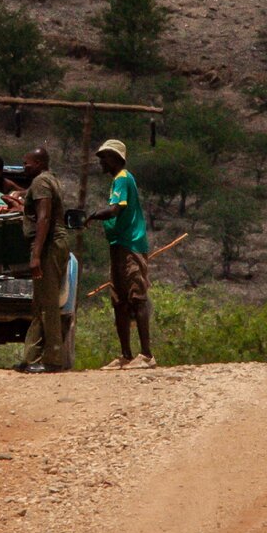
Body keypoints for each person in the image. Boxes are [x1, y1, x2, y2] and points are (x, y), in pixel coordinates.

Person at [86, 139, 155, 369]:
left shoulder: (123, 178)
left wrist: (93, 215)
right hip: (118, 244)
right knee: (120, 301)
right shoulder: (118, 180)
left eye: (104, 157)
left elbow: (117, 209)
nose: (101, 162)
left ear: (116, 158)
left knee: (137, 296)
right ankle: (126, 355)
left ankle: (146, 355)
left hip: (130, 245)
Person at [15, 147, 70, 374]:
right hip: (51, 244)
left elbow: (44, 218)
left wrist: (36, 255)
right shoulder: (49, 180)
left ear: (38, 162)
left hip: (49, 246)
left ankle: (53, 361)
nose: (24, 167)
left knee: (48, 305)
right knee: (40, 303)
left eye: (27, 163)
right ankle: (31, 357)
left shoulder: (40, 183)